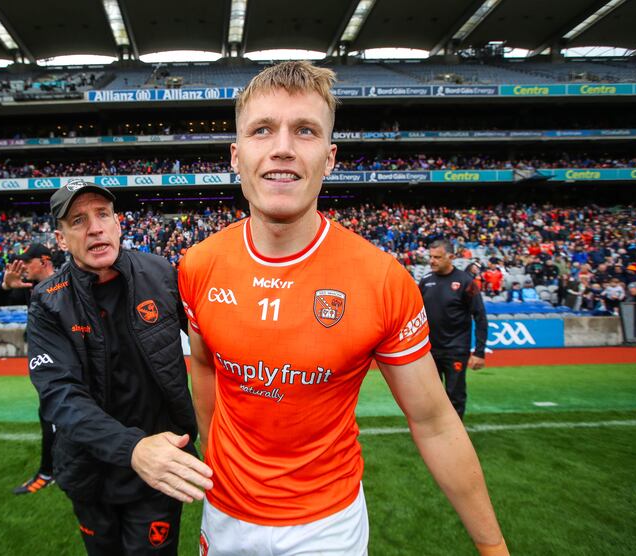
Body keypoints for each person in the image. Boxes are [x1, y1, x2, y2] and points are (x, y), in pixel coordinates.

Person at [179, 62, 507, 556]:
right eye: (262, 129)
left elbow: (435, 421)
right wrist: (213, 454)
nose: (283, 147)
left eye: (305, 130)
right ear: (236, 154)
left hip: (328, 526)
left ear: (330, 157)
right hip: (224, 513)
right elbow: (204, 366)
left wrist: (493, 546)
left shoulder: (381, 279)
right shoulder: (198, 265)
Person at [27, 180, 212, 555]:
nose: (94, 227)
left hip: (160, 464)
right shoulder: (47, 302)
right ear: (61, 240)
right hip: (89, 472)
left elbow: (215, 345)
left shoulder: (161, 274)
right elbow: (60, 396)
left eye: (102, 215)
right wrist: (132, 448)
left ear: (118, 224)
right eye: (78, 220)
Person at [0, 243, 59, 495]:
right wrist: (6, 286)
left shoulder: (66, 283)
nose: (23, 268)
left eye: (27, 263)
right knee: (49, 416)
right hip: (47, 365)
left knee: (57, 416)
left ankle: (49, 472)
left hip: (68, 365)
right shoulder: (27, 288)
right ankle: (51, 471)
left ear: (44, 261)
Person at [420, 240, 489, 419]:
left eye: (437, 257)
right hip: (429, 351)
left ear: (451, 257)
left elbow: (480, 316)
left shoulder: (466, 282)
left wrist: (479, 351)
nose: (432, 261)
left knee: (455, 395)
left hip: (455, 350)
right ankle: (434, 433)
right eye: (431, 257)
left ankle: (456, 437)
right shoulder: (425, 281)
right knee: (429, 396)